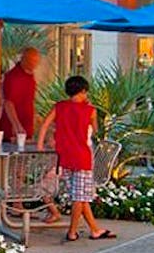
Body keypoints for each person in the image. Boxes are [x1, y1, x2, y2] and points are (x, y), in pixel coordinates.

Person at [38, 75, 116, 242]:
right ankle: (72, 232)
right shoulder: (90, 111)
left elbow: (44, 125)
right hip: (82, 157)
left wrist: (40, 145)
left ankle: (95, 229)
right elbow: (95, 131)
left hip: (64, 157)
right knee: (79, 197)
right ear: (82, 91)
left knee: (81, 195)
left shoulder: (59, 107)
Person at [0, 47, 40, 143]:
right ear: (23, 59)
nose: (34, 64)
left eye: (36, 61)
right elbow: (8, 103)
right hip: (13, 130)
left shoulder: (30, 76)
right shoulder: (13, 77)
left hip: (26, 126)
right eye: (31, 61)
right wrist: (17, 126)